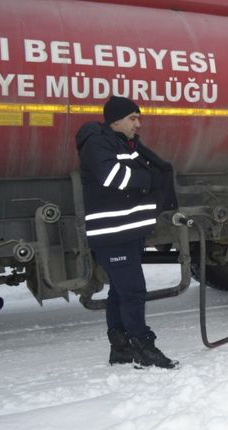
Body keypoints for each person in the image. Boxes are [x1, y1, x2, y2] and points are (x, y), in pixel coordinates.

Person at [76, 96, 179, 369]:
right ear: (116, 120)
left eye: (139, 118)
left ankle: (120, 348)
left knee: (120, 292)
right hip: (112, 233)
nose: (138, 124)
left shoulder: (122, 143)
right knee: (133, 291)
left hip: (127, 231)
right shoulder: (98, 143)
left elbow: (145, 167)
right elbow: (112, 177)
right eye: (133, 118)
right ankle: (143, 347)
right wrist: (149, 181)